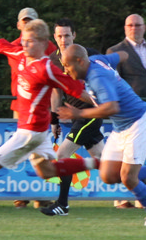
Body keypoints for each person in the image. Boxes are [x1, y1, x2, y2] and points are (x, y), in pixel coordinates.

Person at [0, 20, 96, 223]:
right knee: (47, 171)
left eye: (30, 41)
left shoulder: (47, 68)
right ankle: (96, 162)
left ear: (42, 43)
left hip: (30, 133)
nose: (25, 44)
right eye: (24, 40)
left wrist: (107, 105)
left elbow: (77, 90)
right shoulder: (20, 54)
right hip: (39, 132)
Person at [58, 46, 146, 226]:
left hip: (138, 122)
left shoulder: (97, 77)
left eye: (67, 65)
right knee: (108, 175)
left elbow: (112, 107)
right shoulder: (97, 60)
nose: (65, 70)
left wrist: (79, 113)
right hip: (121, 127)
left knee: (128, 178)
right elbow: (123, 55)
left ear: (79, 61)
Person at [0, 8, 60, 207]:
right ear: (18, 25)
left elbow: (58, 78)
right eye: (25, 21)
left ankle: (37, 195)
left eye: (31, 21)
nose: (28, 25)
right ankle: (23, 195)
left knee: (23, 159)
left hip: (40, 112)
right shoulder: (16, 48)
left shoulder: (48, 48)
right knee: (28, 159)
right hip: (21, 108)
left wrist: (55, 113)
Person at [42, 20, 103, 216]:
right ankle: (143, 176)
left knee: (62, 156)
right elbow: (56, 92)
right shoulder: (52, 60)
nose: (63, 40)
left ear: (74, 35)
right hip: (77, 116)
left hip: (90, 114)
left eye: (67, 35)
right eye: (59, 36)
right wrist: (54, 120)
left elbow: (106, 76)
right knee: (104, 161)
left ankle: (62, 204)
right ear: (54, 37)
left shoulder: (88, 54)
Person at [107, 13, 146, 114]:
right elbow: (113, 83)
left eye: (137, 25)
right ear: (125, 28)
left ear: (144, 28)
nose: (134, 28)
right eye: (130, 25)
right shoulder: (115, 51)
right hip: (131, 108)